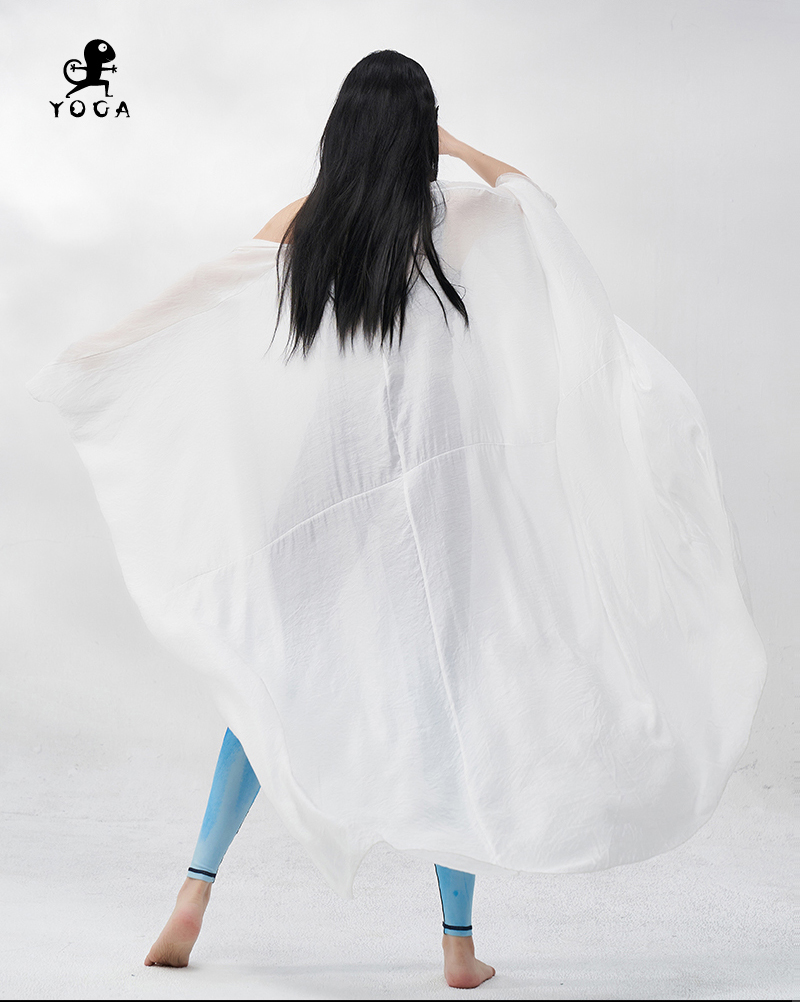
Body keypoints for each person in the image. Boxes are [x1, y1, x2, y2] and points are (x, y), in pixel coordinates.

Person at [27, 50, 767, 991]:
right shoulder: (458, 215)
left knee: (268, 681)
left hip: (329, 485)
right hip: (439, 492)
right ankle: (456, 945)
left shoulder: (308, 225)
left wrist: (98, 361)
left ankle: (194, 891)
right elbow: (535, 200)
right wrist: (453, 145)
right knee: (450, 699)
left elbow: (207, 303)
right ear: (419, 131)